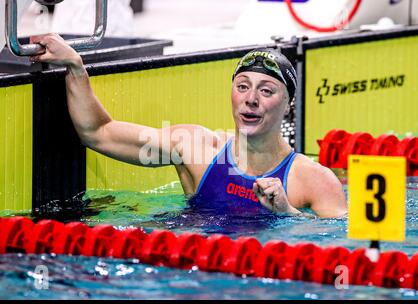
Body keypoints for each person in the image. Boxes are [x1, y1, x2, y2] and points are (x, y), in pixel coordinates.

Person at [29, 33, 347, 218]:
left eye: (266, 91)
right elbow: (97, 133)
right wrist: (75, 65)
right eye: (242, 86)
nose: (251, 99)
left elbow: (342, 256)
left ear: (289, 103)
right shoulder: (194, 148)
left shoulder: (316, 181)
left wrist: (287, 214)